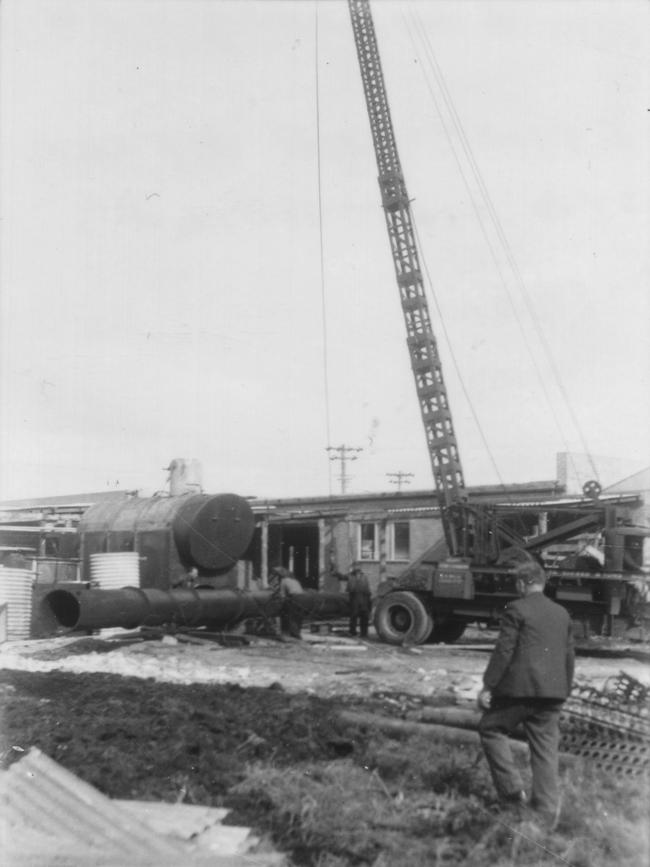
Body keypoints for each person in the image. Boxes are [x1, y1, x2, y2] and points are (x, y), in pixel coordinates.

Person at [477, 560, 574, 824]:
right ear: (542, 583)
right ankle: (545, 812)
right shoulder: (562, 613)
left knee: (491, 728)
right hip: (553, 693)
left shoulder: (516, 609)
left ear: (522, 584)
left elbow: (505, 650)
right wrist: (564, 689)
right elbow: (569, 656)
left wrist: (489, 685)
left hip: (519, 692)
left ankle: (511, 794)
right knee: (545, 750)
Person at [270, 566, 304, 640]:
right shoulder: (295, 580)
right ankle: (297, 633)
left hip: (294, 598)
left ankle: (293, 635)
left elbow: (282, 595)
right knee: (298, 616)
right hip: (302, 597)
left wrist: (280, 602)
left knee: (291, 616)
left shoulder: (284, 580)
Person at [347, 566, 372, 638]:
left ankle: (364, 633)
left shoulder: (364, 577)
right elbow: (342, 577)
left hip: (364, 599)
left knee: (364, 617)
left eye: (359, 572)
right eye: (356, 572)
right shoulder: (351, 577)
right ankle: (353, 632)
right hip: (355, 599)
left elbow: (368, 591)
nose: (358, 574)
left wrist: (368, 602)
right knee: (354, 616)